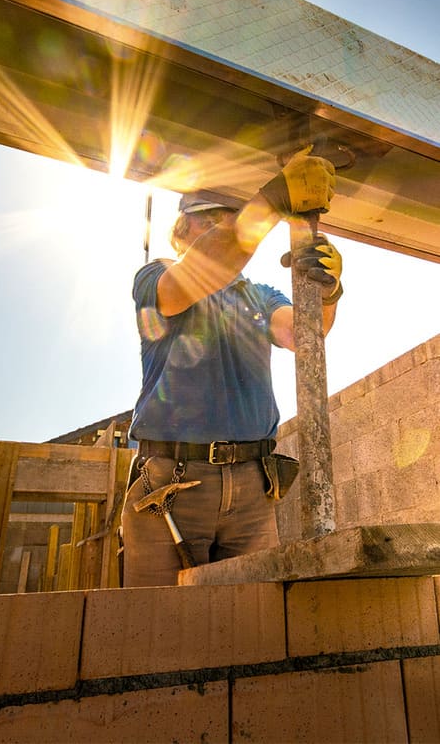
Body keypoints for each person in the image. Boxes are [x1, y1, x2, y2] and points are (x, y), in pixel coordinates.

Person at [122, 147, 344, 587]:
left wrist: (329, 291)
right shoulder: (157, 278)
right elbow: (200, 272)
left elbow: (306, 334)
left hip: (251, 485)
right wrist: (273, 201)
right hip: (171, 482)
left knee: (253, 623)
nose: (231, 227)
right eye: (216, 220)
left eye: (232, 217)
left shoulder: (259, 295)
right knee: (157, 626)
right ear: (183, 231)